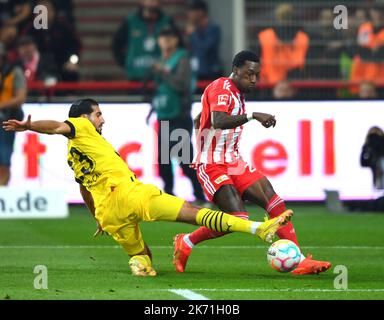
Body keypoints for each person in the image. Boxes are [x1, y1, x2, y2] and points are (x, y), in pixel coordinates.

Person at [2, 98, 294, 276]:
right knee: (193, 213)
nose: (102, 118)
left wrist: (98, 219)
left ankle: (139, 264)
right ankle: (258, 228)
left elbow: (84, 190)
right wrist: (30, 126)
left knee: (143, 256)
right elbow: (56, 126)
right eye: (98, 113)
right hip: (131, 195)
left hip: (108, 214)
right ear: (84, 117)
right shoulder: (82, 126)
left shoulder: (74, 154)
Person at [173, 50, 331, 275]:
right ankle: (187, 241)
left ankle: (299, 261)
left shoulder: (235, 92)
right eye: (249, 74)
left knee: (274, 201)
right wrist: (253, 116)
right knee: (237, 218)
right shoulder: (222, 87)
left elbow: (207, 117)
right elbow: (218, 121)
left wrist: (201, 120)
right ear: (235, 70)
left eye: (257, 75)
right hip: (212, 164)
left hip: (234, 161)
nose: (254, 80)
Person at [148, 27, 206, 202]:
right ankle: (169, 195)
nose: (165, 41)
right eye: (162, 38)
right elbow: (159, 89)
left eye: (169, 38)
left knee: (183, 157)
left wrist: (163, 72)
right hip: (164, 113)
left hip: (179, 113)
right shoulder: (161, 60)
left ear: (175, 40)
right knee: (163, 159)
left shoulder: (182, 58)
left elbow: (182, 85)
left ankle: (200, 193)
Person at [112, 0, 174, 81]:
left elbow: (179, 47)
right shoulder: (131, 21)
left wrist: (169, 64)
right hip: (136, 78)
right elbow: (116, 44)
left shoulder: (167, 22)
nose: (152, 2)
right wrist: (126, 63)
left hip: (161, 79)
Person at [22, 0, 81, 81]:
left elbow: (75, 46)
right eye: (38, 12)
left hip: (61, 64)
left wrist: (73, 61)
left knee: (71, 71)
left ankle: (70, 93)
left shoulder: (64, 28)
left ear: (52, 12)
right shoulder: (30, 30)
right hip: (38, 66)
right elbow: (22, 46)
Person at [0, 42, 27, 186]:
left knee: (4, 159)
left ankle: (2, 191)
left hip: (6, 119)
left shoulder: (14, 72)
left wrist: (2, 105)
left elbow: (20, 97)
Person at [186, 0, 222, 80]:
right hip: (197, 73)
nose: (189, 15)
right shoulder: (196, 29)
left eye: (191, 12)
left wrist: (193, 34)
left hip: (211, 73)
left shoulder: (213, 28)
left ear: (200, 12)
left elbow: (204, 48)